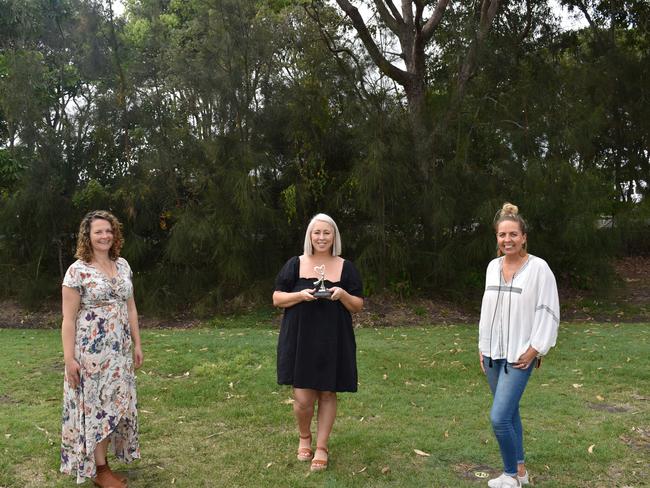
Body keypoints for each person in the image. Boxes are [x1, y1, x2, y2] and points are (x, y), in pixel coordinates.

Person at [273, 213, 364, 472]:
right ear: (309, 236)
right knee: (302, 398)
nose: (321, 237)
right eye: (317, 232)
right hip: (300, 338)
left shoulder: (346, 267)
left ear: (334, 236)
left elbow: (358, 305)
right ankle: (305, 437)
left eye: (327, 232)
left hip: (333, 339)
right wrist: (299, 295)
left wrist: (343, 294)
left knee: (327, 392)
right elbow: (277, 298)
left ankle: (322, 447)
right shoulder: (295, 264)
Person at [478, 203, 560, 488]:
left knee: (499, 417)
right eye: (502, 235)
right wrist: (482, 346)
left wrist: (535, 348)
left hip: (519, 356)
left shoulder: (539, 269)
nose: (507, 240)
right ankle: (521, 470)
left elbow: (549, 311)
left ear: (524, 236)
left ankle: (510, 474)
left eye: (513, 234)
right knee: (510, 413)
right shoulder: (492, 267)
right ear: (497, 238)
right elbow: (486, 310)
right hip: (492, 354)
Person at [60, 210, 142, 487]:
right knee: (97, 409)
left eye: (108, 231)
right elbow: (68, 319)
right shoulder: (77, 271)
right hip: (91, 356)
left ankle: (104, 464)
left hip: (119, 353)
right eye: (98, 231)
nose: (104, 236)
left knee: (114, 406)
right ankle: (101, 469)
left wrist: (137, 344)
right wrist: (69, 358)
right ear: (88, 236)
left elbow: (130, 307)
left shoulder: (123, 266)